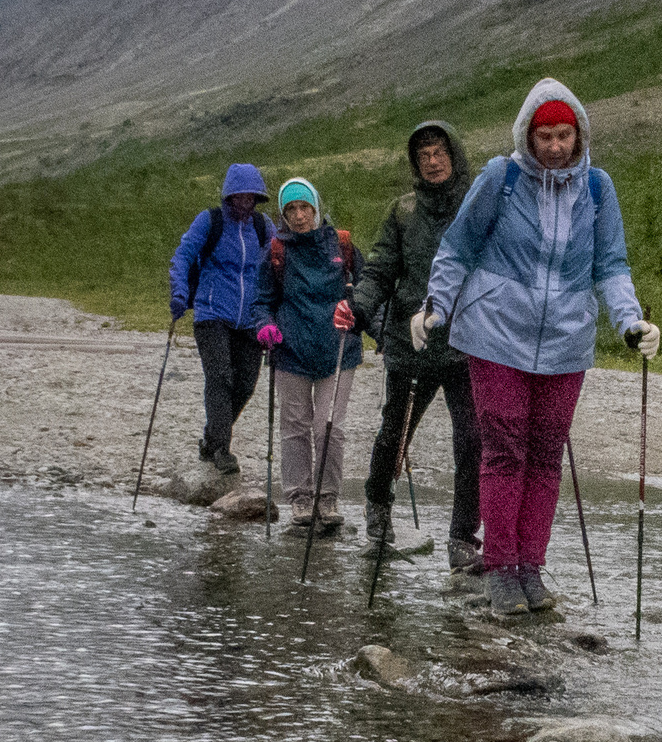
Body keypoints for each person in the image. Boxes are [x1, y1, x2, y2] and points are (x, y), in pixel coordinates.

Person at [414, 81, 662, 617]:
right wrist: (436, 305)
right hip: (496, 333)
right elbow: (458, 247)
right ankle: (501, 569)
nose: (554, 145)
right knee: (504, 448)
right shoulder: (499, 179)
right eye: (544, 135)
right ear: (528, 135)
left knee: (547, 455)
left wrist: (629, 321)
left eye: (564, 135)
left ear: (579, 135)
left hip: (565, 342)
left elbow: (611, 264)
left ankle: (531, 566)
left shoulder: (597, 188)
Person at [351, 121, 484, 571]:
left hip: (469, 344)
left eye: (440, 151)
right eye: (424, 154)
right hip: (411, 345)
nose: (432, 160)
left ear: (455, 154)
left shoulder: (478, 204)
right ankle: (378, 512)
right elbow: (379, 270)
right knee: (394, 434)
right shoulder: (402, 211)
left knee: (473, 441)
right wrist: (359, 307)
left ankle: (463, 537)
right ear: (415, 162)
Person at [247, 178, 363, 536]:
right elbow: (261, 300)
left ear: (316, 207)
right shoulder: (277, 250)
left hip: (338, 349)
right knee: (294, 426)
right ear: (282, 214)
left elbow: (369, 290)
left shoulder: (341, 245)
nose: (299, 216)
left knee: (329, 427)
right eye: (290, 210)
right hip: (291, 350)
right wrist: (264, 324)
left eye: (304, 208)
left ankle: (327, 498)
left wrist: (372, 322)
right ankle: (299, 497)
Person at [166, 163, 273, 476]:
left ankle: (211, 439)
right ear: (229, 197)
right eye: (240, 197)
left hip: (251, 318)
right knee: (220, 377)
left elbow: (278, 260)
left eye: (251, 197)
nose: (246, 203)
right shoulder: (209, 221)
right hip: (212, 313)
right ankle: (222, 450)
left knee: (245, 385)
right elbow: (183, 255)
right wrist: (179, 293)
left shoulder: (263, 226)